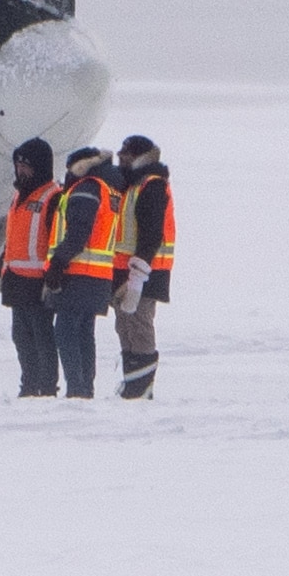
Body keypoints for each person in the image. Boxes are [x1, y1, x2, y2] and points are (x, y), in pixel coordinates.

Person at [39, 145, 123, 400]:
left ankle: (77, 388)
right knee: (84, 332)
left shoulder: (85, 189)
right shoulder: (108, 190)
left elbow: (78, 234)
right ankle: (85, 387)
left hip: (79, 274)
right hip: (98, 276)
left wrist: (57, 264)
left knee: (65, 331)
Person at [113, 134, 176, 398]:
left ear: (139, 156)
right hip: (124, 272)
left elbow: (151, 235)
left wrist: (138, 275)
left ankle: (141, 386)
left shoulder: (152, 186)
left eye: (126, 153)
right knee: (125, 326)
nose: (120, 157)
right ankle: (132, 382)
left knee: (139, 325)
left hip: (146, 273)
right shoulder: (132, 185)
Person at [0, 137, 58, 398]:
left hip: (38, 281)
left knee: (42, 338)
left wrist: (52, 277)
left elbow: (55, 239)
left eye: (26, 166)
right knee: (21, 337)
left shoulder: (52, 197)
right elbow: (12, 237)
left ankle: (46, 387)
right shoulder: (18, 196)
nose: (21, 170)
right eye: (18, 165)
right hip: (16, 279)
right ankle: (29, 385)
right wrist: (2, 266)